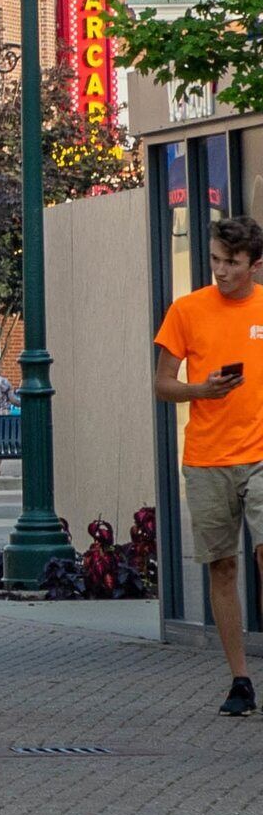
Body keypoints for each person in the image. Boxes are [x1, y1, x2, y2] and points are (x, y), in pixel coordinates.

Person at [157, 216, 263, 716]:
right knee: (223, 567)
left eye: (232, 263)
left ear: (255, 265)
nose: (221, 271)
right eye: (216, 260)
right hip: (206, 457)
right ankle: (240, 679)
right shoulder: (187, 310)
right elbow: (162, 383)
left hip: (260, 454)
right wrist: (200, 390)